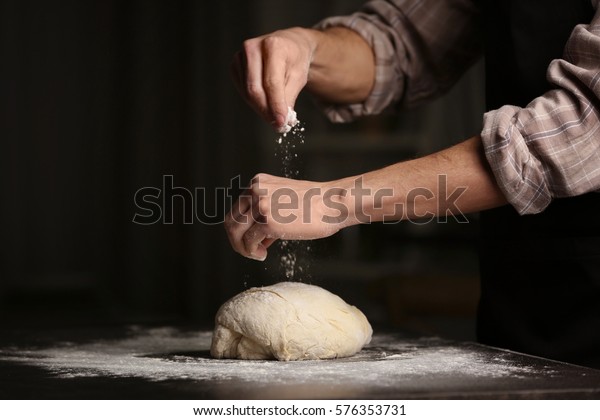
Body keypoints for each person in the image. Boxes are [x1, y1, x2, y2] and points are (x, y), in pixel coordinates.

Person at [224, 0, 600, 369]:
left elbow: (583, 122)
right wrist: (308, 47)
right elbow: (401, 42)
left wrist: (335, 201)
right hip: (520, 280)